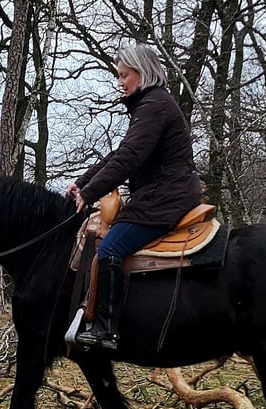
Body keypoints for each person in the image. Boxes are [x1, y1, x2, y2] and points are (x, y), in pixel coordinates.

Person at [67, 43, 202, 350]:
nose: (120, 82)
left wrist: (89, 194)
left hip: (165, 197)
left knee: (111, 247)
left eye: (124, 75)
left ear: (143, 73)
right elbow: (119, 154)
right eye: (119, 75)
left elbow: (129, 158)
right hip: (162, 194)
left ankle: (107, 330)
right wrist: (82, 183)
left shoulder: (155, 105)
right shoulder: (152, 106)